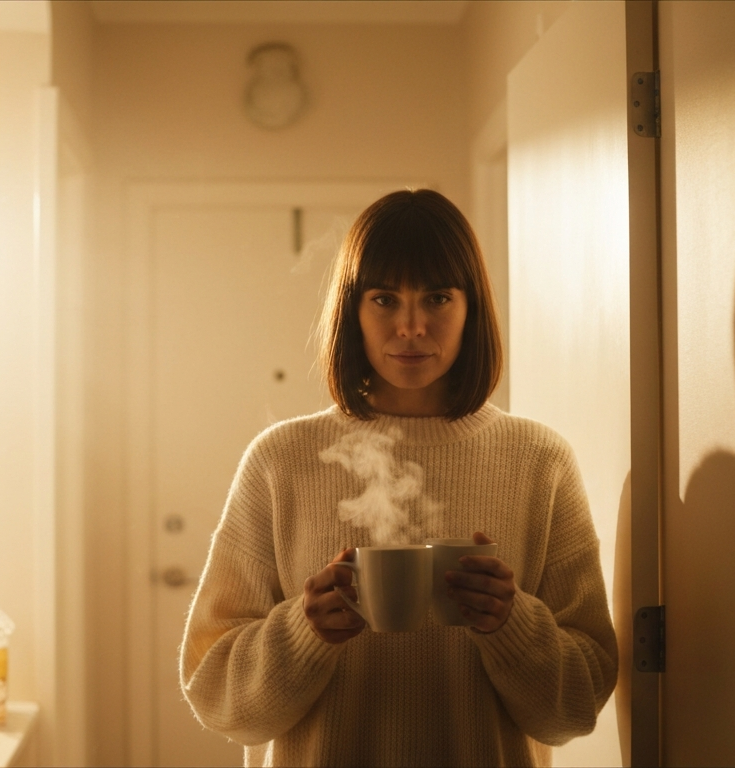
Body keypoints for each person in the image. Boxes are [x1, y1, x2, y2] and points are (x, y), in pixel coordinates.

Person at [180, 189, 616, 766]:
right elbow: (215, 696)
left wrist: (512, 624)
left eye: (437, 297)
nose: (411, 327)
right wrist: (304, 633)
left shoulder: (539, 461)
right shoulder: (280, 461)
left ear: (472, 309)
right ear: (353, 312)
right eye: (385, 299)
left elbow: (576, 709)